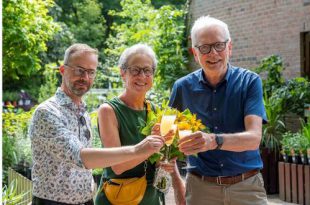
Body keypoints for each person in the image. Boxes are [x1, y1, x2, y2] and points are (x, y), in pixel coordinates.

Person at [29, 43, 165, 205]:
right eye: (79, 70)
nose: (85, 77)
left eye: (91, 72)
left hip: (86, 201)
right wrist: (140, 149)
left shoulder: (82, 112)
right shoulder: (47, 112)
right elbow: (80, 157)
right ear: (63, 70)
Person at [169, 16, 268, 205]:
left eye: (219, 45)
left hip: (246, 187)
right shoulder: (181, 88)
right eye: (204, 48)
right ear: (194, 53)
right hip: (200, 189)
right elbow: (168, 140)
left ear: (229, 47)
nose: (213, 53)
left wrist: (213, 141)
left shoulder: (250, 82)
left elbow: (254, 139)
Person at [95, 44, 184, 205]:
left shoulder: (156, 110)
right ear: (123, 72)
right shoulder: (108, 111)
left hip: (151, 198)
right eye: (135, 70)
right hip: (119, 199)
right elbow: (118, 166)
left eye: (147, 70)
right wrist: (153, 146)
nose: (142, 76)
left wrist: (165, 161)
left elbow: (159, 159)